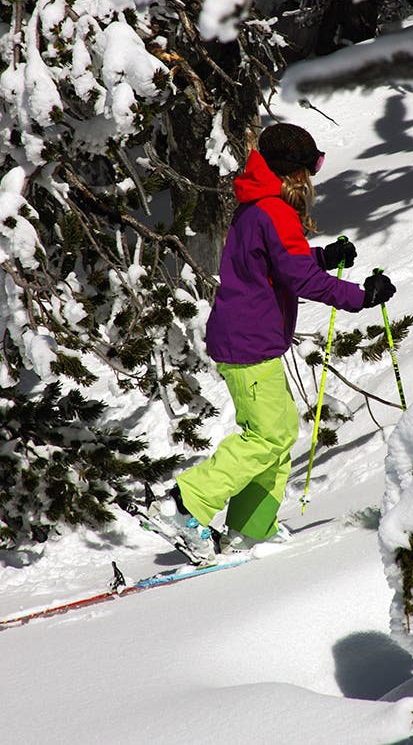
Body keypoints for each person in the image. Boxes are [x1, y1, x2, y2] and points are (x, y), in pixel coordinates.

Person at [151, 122, 395, 562]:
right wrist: (361, 296)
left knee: (277, 433)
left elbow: (277, 264)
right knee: (265, 435)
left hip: (250, 340)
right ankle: (185, 504)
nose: (313, 175)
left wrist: (325, 257)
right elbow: (298, 277)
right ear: (295, 171)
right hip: (248, 343)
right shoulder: (275, 211)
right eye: (312, 165)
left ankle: (249, 527)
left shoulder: (256, 206)